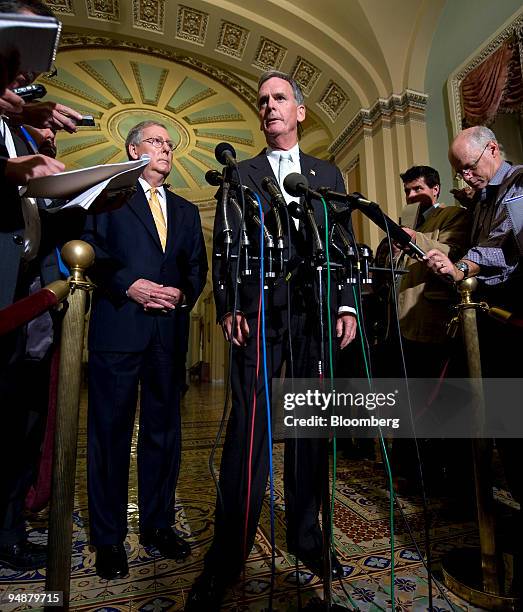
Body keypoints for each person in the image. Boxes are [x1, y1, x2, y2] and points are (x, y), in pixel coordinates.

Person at [186, 71, 357, 611]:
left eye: (279, 98)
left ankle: (308, 538)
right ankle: (229, 554)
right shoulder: (242, 173)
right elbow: (226, 249)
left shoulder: (328, 172)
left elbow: (343, 240)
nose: (269, 107)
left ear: (300, 112)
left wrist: (347, 302)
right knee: (250, 427)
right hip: (258, 311)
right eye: (263, 101)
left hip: (312, 313)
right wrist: (229, 303)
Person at [82, 120, 207, 580]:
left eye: (169, 145)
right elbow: (89, 249)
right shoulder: (108, 195)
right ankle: (109, 539)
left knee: (163, 434)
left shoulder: (188, 210)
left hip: (167, 335)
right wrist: (127, 285)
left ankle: (157, 525)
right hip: (119, 329)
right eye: (156, 141)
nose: (165, 149)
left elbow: (197, 266)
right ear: (133, 149)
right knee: (110, 435)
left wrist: (183, 293)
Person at [0, 0, 84, 573]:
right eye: (22, 48)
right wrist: (12, 168)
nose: (30, 71)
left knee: (18, 424)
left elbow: (30, 225)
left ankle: (7, 530)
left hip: (26, 292)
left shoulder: (14, 122)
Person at [426, 125, 522, 505]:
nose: (466, 177)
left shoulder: (518, 186)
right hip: (495, 323)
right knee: (504, 428)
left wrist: (461, 267)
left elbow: (500, 245)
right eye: (460, 171)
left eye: (469, 167)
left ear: (493, 149)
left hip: (514, 321)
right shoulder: (483, 197)